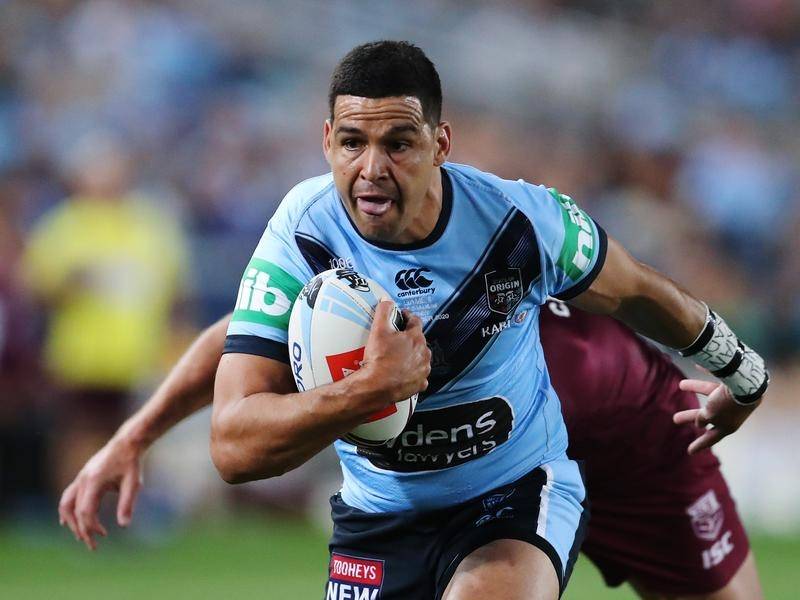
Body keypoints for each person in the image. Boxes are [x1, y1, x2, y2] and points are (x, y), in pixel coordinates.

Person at [60, 41, 768, 600]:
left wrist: (740, 370)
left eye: (398, 142)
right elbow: (236, 419)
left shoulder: (523, 228)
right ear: (326, 140)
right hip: (385, 515)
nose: (372, 169)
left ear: (440, 143)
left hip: (551, 472)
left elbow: (640, 290)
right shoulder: (304, 236)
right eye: (351, 145)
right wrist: (137, 434)